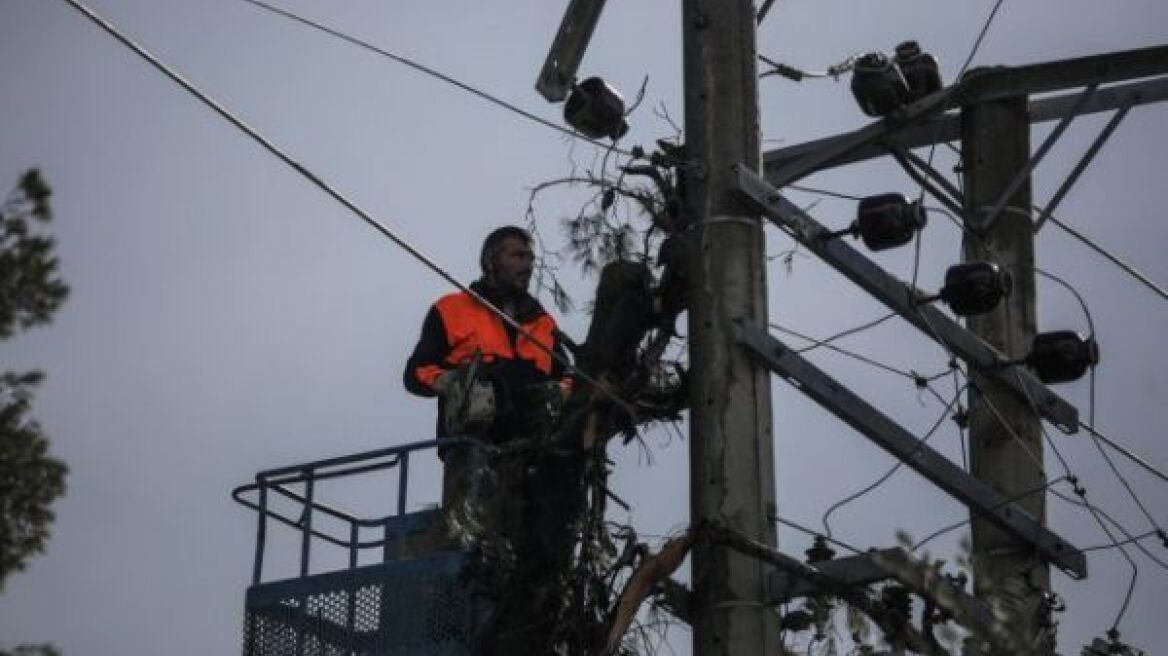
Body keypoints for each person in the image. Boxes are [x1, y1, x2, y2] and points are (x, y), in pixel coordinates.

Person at [403, 225, 576, 652]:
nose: (527, 265)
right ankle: (452, 629)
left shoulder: (542, 323)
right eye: (517, 256)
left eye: (530, 258)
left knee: (528, 551)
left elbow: (571, 379)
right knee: (469, 546)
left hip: (530, 456)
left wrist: (557, 391)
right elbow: (416, 373)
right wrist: (457, 383)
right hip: (473, 453)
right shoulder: (453, 309)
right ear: (491, 261)